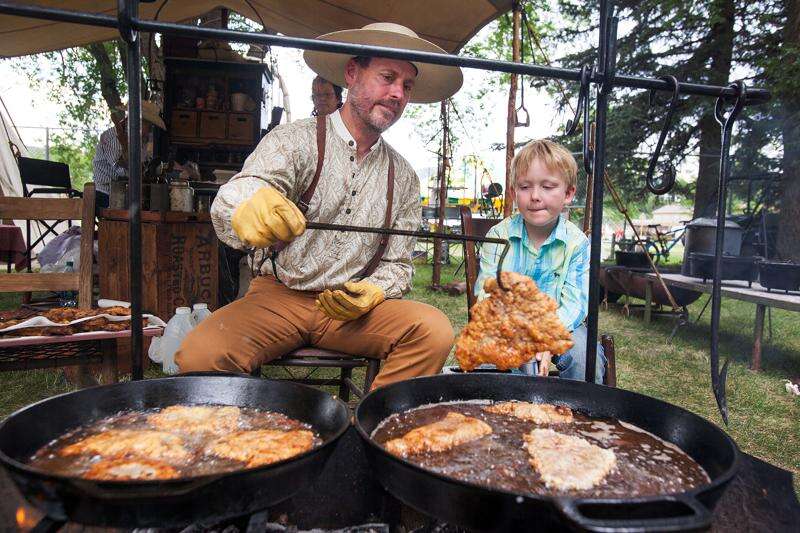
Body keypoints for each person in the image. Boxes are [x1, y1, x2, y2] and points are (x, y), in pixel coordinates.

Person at [176, 23, 464, 390]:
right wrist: (247, 203)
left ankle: (373, 431)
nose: (397, 94)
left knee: (433, 331)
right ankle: (252, 439)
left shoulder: (404, 176)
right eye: (387, 77)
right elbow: (247, 188)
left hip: (353, 311)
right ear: (351, 73)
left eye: (406, 86)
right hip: (278, 297)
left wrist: (374, 290)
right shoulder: (294, 140)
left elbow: (399, 265)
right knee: (200, 353)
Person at [475, 139, 606, 383]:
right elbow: (489, 296)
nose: (535, 196)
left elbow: (576, 304)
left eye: (548, 186)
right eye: (525, 187)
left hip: (563, 324)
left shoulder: (577, 244)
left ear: (568, 193)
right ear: (514, 193)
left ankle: (577, 417)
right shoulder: (498, 237)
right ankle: (513, 415)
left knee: (585, 357)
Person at [91, 100, 165, 209]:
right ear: (136, 121)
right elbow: (124, 171)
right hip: (106, 194)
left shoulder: (141, 140)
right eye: (148, 125)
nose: (150, 130)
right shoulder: (112, 137)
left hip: (125, 193)